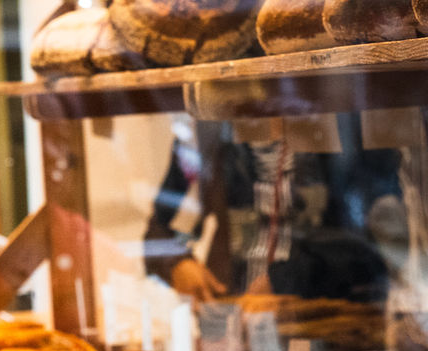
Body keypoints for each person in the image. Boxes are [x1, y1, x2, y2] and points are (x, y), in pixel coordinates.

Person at [143, 113, 403, 305]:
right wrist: (178, 263)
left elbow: (375, 249)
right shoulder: (209, 132)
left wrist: (285, 280)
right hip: (233, 334)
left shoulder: (341, 120)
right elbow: (157, 233)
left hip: (323, 327)